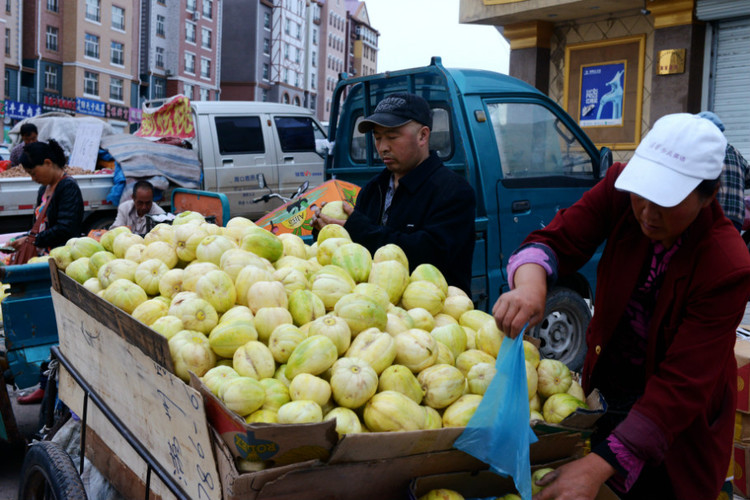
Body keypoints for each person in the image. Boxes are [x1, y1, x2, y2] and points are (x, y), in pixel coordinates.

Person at [492, 113, 750, 499]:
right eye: (641, 196)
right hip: (609, 391)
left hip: (676, 428)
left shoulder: (727, 263)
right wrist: (530, 287)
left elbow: (680, 387)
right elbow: (554, 240)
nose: (647, 213)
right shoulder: (618, 187)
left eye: (666, 201)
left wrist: (596, 466)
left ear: (708, 195)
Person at [312, 93, 476, 294]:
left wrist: (360, 231)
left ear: (423, 136)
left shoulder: (454, 192)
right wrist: (328, 232)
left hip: (434, 311)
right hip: (373, 305)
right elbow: (354, 257)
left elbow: (428, 255)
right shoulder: (373, 189)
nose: (383, 148)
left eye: (392, 137)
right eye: (377, 138)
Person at [9, 140, 83, 405]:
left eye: (33, 171)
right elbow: (37, 226)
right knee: (44, 325)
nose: (32, 177)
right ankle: (46, 384)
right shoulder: (45, 188)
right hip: (41, 265)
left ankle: (53, 388)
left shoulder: (68, 188)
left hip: (60, 267)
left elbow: (66, 228)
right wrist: (26, 238)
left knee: (55, 327)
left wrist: (34, 241)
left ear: (48, 164)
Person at [697, 110, 750, 232]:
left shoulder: (703, 149)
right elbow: (748, 179)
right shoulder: (734, 151)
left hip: (713, 214)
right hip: (736, 217)